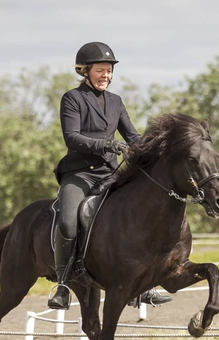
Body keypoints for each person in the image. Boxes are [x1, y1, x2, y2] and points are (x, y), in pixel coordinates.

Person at [48, 41, 173, 310]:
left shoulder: (116, 101)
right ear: (85, 71)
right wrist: (106, 144)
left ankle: (144, 286)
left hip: (108, 174)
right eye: (100, 70)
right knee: (69, 222)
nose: (106, 75)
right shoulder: (72, 98)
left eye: (109, 71)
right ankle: (63, 284)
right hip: (79, 174)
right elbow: (72, 137)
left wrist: (157, 149)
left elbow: (133, 137)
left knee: (135, 218)